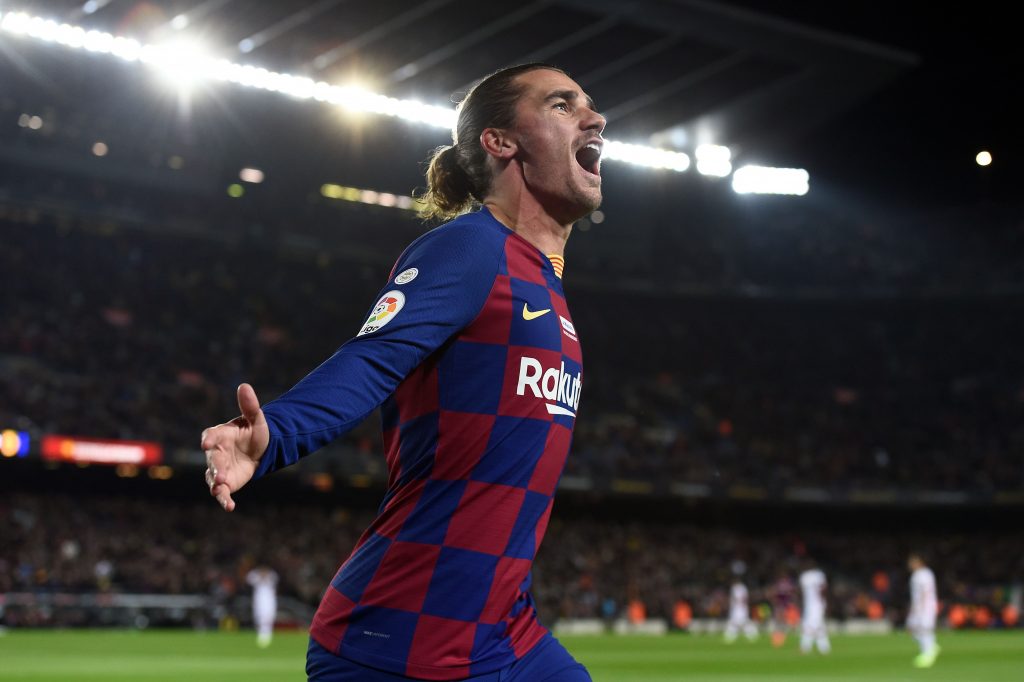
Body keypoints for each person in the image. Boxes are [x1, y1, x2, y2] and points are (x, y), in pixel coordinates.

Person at [201, 62, 604, 681]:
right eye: (561, 104)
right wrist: (275, 433)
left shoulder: (543, 284)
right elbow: (373, 355)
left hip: (501, 635)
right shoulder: (470, 248)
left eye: (588, 104)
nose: (593, 116)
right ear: (499, 141)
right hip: (398, 640)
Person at [907, 552, 940, 668]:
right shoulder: (921, 574)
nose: (910, 565)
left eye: (912, 562)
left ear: (918, 562)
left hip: (925, 607)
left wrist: (920, 608)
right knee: (913, 630)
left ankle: (928, 654)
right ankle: (931, 646)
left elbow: (925, 592)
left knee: (924, 629)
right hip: (920, 606)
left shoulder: (922, 575)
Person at [797, 558, 830, 655]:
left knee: (810, 625)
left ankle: (805, 647)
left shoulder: (805, 576)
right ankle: (824, 648)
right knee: (817, 625)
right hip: (817, 603)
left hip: (812, 604)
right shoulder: (819, 575)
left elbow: (801, 592)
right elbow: (824, 589)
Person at [246, 565, 279, 648]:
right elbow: (248, 579)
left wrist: (265, 577)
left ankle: (267, 635)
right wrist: (260, 576)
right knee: (258, 616)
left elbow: (275, 579)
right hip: (259, 599)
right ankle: (260, 633)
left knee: (268, 616)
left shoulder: (271, 575)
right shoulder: (255, 575)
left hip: (269, 600)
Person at [723, 568, 758, 643]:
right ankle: (730, 637)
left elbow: (742, 599)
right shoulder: (741, 587)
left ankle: (752, 635)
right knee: (736, 623)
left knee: (740, 623)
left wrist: (737, 603)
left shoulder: (737, 588)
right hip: (738, 608)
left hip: (739, 608)